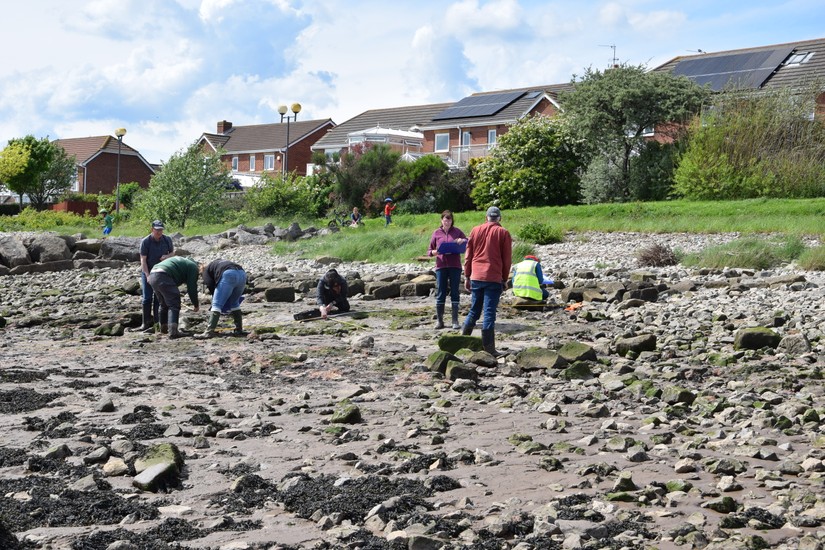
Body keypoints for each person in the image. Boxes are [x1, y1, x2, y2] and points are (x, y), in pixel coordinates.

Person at [461, 206, 512, 356]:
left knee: (474, 310)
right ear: (499, 219)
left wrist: (467, 276)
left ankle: (463, 340)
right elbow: (506, 259)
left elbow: (468, 256)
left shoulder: (475, 230)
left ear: (486, 217)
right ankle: (489, 348)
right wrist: (504, 279)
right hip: (493, 276)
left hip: (476, 275)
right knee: (489, 312)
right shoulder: (503, 233)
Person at [427, 210, 467, 329]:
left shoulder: (457, 231)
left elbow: (467, 242)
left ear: (452, 221)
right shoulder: (436, 233)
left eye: (449, 220)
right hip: (441, 266)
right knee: (441, 292)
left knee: (455, 291)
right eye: (445, 220)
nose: (447, 222)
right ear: (441, 220)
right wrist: (435, 252)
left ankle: (455, 321)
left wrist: (462, 241)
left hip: (455, 266)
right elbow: (429, 251)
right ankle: (440, 321)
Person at [147, 256, 200, 339]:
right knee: (174, 304)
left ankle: (163, 329)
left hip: (153, 274)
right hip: (163, 274)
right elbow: (192, 288)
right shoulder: (193, 267)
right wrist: (196, 304)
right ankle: (173, 332)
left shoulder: (182, 262)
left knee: (163, 304)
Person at [138, 220, 175, 332]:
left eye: (161, 230)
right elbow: (143, 261)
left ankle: (157, 322)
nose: (159, 232)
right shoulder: (145, 241)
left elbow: (173, 253)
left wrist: (167, 256)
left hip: (161, 273)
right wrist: (148, 276)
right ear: (152, 229)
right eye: (157, 230)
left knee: (159, 298)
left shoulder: (167, 239)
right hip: (148, 271)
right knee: (147, 298)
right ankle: (145, 323)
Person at [196, 259, 247, 338]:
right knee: (235, 303)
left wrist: (215, 300)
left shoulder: (205, 271)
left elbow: (210, 284)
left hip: (228, 274)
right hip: (242, 274)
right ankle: (239, 329)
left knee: (216, 304)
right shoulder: (217, 263)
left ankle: (209, 332)